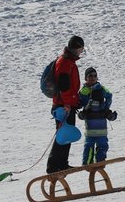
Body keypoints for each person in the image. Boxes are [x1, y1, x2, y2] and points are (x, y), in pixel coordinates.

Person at [46, 36, 85, 174]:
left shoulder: (67, 61)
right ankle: (53, 167)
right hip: (63, 106)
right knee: (62, 135)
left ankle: (62, 164)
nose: (81, 51)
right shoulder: (65, 62)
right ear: (78, 47)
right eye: (81, 48)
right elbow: (64, 85)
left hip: (66, 105)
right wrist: (68, 103)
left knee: (66, 135)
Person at [78, 67, 116, 165]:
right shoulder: (83, 91)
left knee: (102, 145)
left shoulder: (100, 88)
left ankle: (100, 162)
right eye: (90, 76)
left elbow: (109, 95)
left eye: (95, 76)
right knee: (89, 145)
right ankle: (87, 163)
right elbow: (80, 102)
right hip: (90, 123)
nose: (93, 78)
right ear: (86, 78)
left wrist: (106, 109)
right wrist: (83, 112)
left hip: (101, 122)